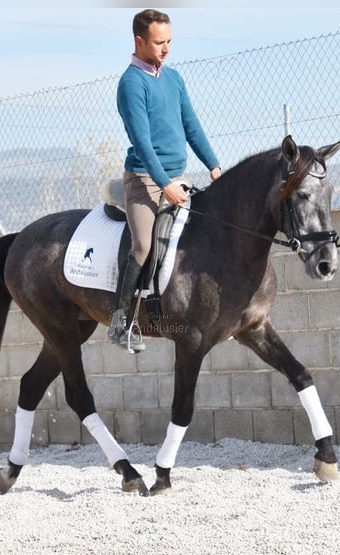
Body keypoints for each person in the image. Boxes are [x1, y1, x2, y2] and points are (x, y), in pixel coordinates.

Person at [109, 8, 222, 352]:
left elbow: (192, 126)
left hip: (176, 176)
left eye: (170, 41)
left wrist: (215, 166)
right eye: (160, 42)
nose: (166, 48)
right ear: (139, 41)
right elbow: (142, 142)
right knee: (143, 245)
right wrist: (165, 185)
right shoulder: (131, 83)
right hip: (144, 178)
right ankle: (121, 322)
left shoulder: (174, 79)